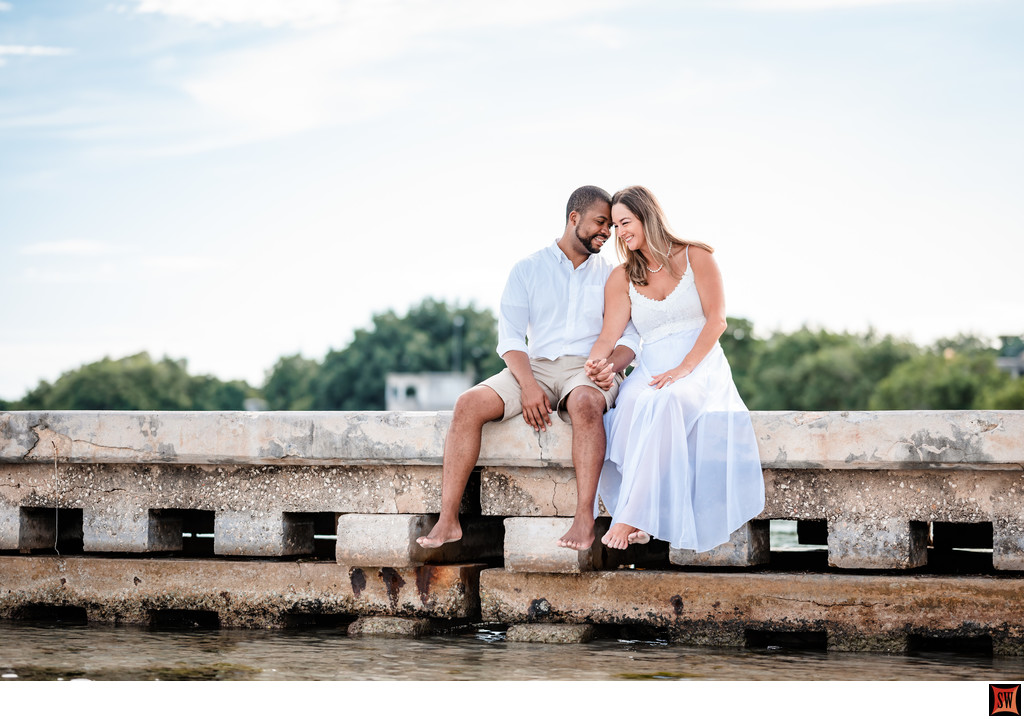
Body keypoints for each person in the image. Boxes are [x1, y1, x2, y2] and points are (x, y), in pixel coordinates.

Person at [417, 186, 640, 551]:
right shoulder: (528, 269)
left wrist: (610, 366)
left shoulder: (615, 275)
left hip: (588, 370)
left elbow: (631, 338)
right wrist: (528, 386)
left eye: (611, 226)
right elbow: (510, 338)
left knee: (585, 403)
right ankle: (449, 520)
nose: (607, 231)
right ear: (574, 218)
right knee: (467, 404)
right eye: (601, 222)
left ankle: (585, 518)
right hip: (533, 366)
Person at [584, 185, 765, 551]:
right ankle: (642, 519)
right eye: (616, 226)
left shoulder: (696, 256)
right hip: (651, 365)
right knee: (631, 406)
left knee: (669, 402)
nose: (620, 233)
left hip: (699, 364)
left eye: (625, 222)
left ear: (647, 216)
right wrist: (595, 363)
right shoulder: (622, 276)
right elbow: (609, 335)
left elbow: (716, 321)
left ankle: (630, 516)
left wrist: (684, 369)